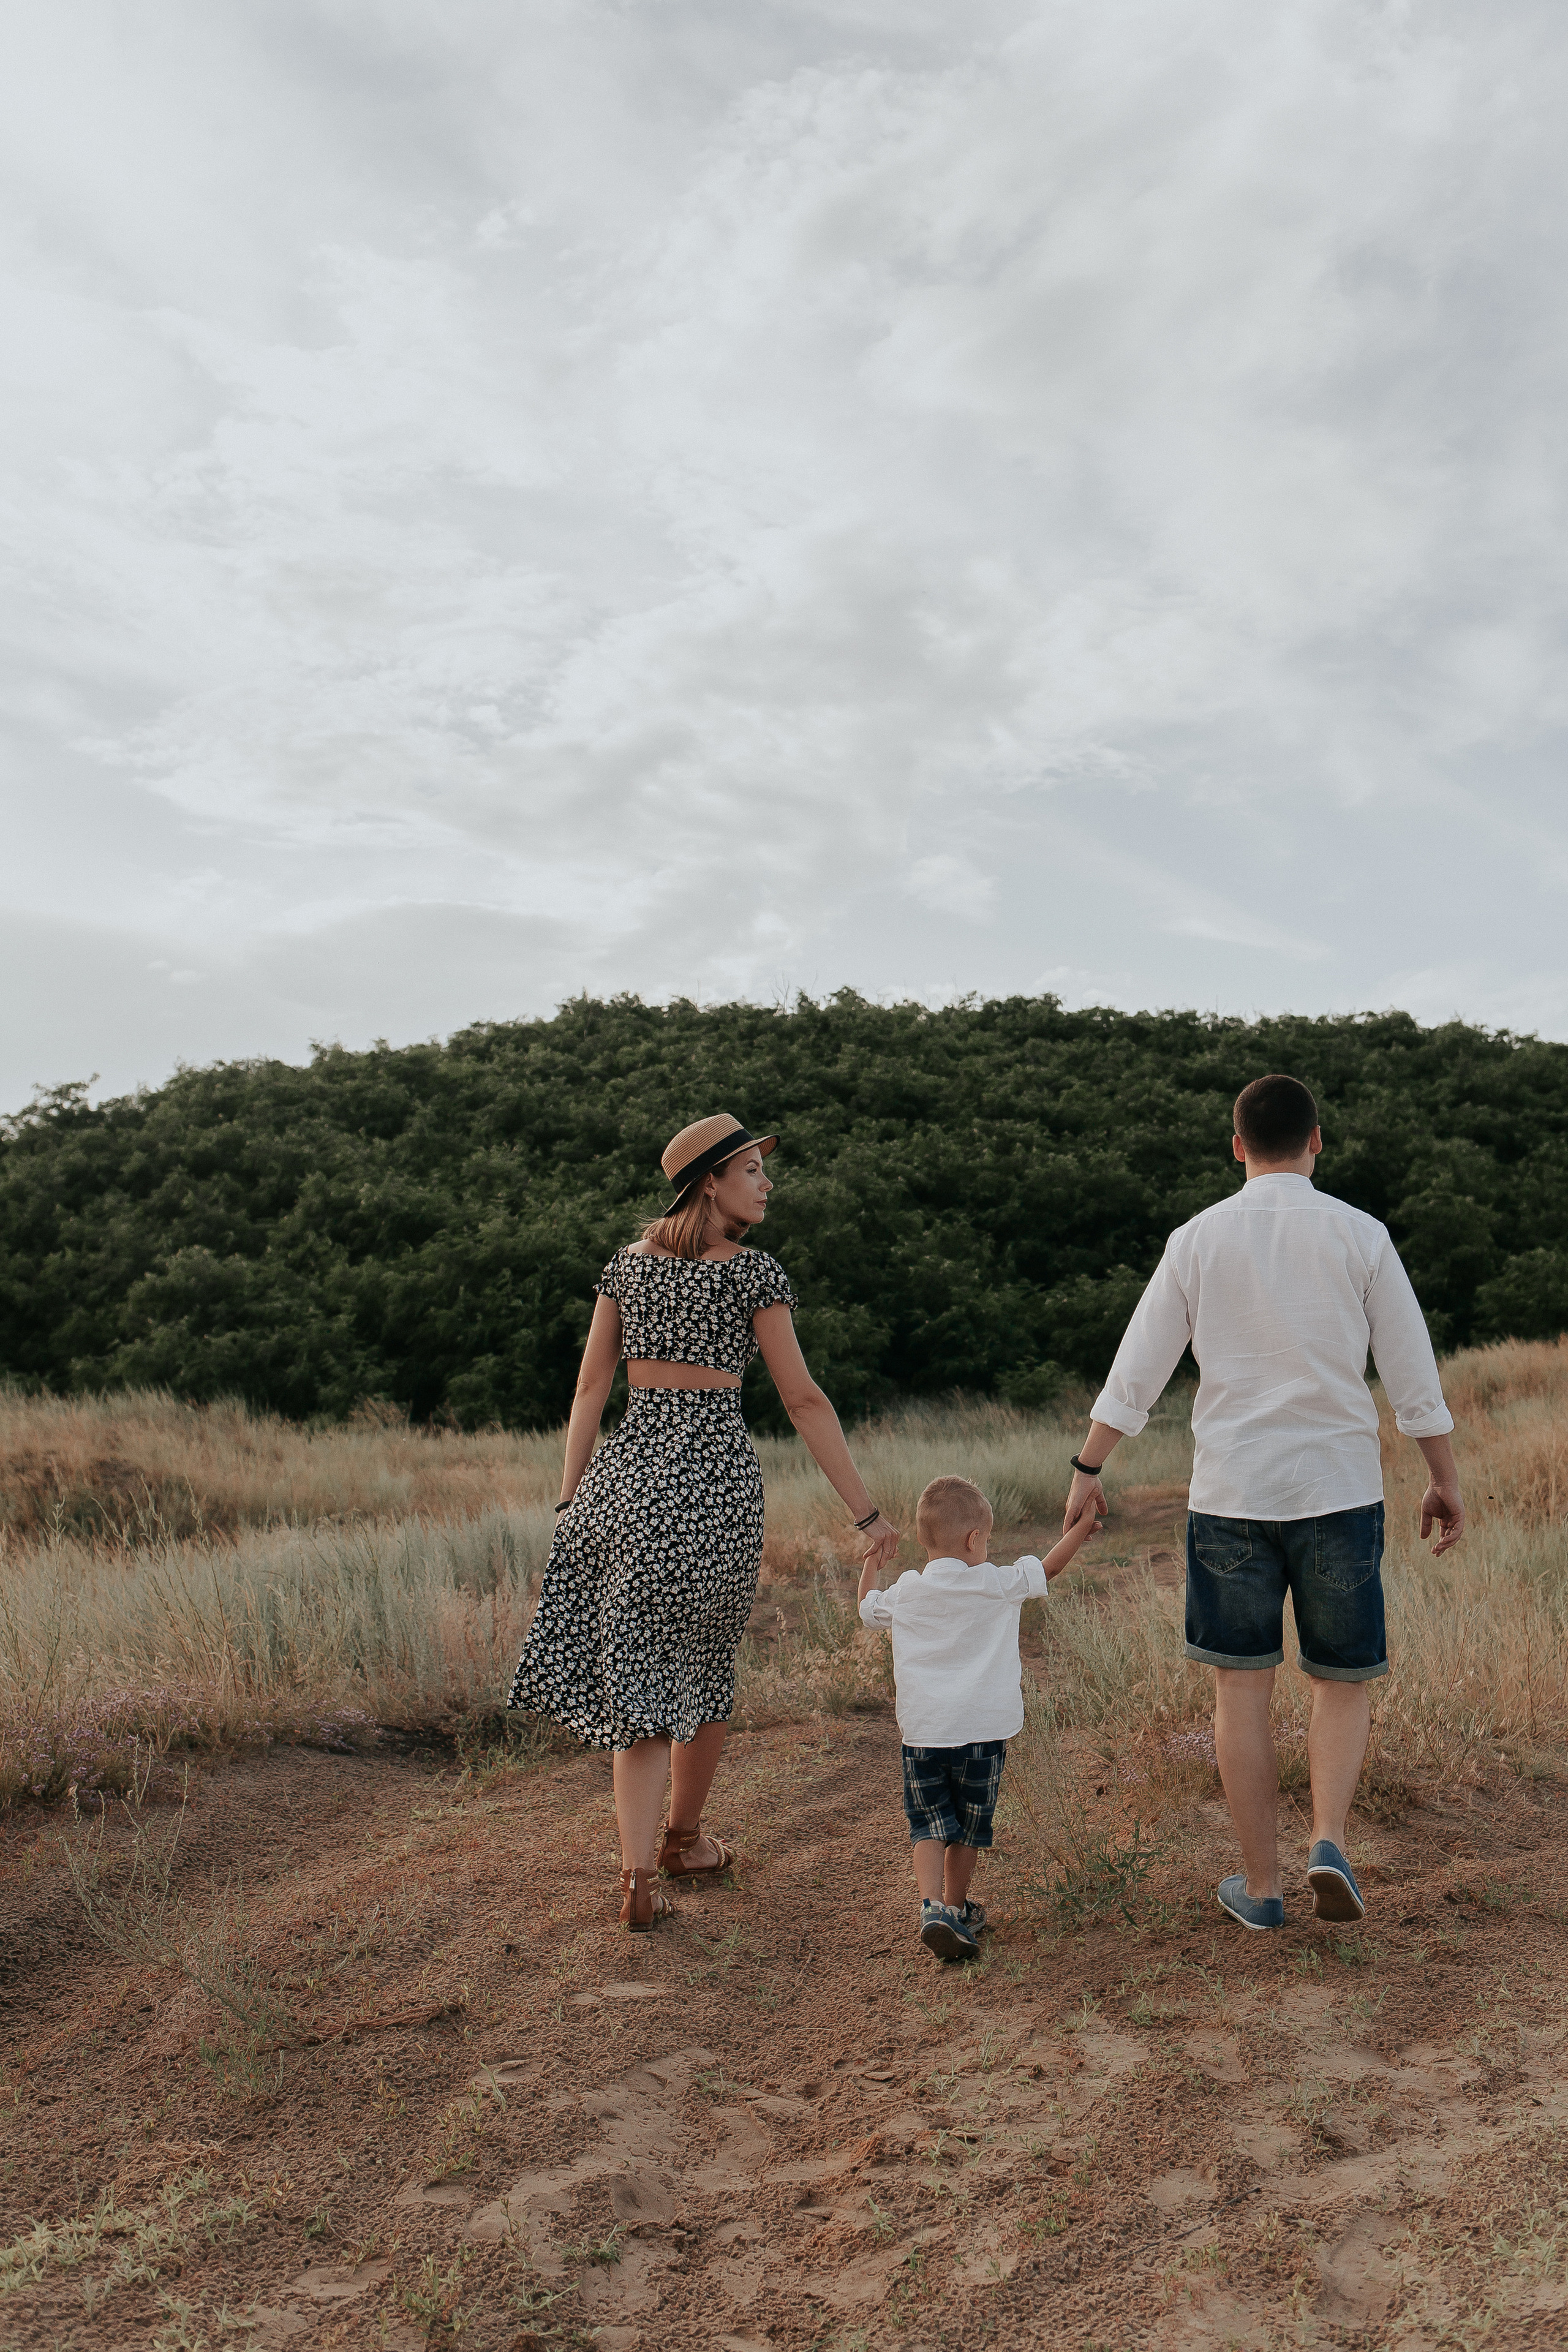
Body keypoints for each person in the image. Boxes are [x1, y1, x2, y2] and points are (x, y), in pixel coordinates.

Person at [1061, 1074, 1464, 1932]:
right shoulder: (1362, 1235)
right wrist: (1443, 1477)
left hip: (1233, 1496)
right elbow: (1411, 1372)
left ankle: (1263, 1888)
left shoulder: (1198, 1238)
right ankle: (1327, 1841)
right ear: (1317, 1140)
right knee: (1341, 1683)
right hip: (1339, 1492)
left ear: (1236, 1145)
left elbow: (1139, 1368)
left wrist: (1089, 1467)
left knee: (1239, 1694)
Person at [508, 1113, 901, 1933]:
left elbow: (588, 1392)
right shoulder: (752, 1275)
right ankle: (684, 1839)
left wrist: (569, 1496)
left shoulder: (626, 1269)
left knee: (638, 1680)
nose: (767, 1183)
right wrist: (865, 1513)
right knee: (705, 1665)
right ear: (710, 1182)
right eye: (752, 1170)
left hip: (622, 1481)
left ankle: (637, 1872)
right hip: (713, 1488)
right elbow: (802, 1400)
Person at [858, 1473, 1102, 1962]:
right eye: (986, 1540)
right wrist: (1082, 1528)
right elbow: (1048, 1569)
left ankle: (932, 1907)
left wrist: (872, 1563)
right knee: (969, 1826)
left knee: (927, 1824)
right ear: (975, 1539)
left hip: (925, 1734)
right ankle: (957, 1906)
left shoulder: (906, 1591)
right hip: (984, 1735)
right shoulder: (996, 1583)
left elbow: (867, 1610)